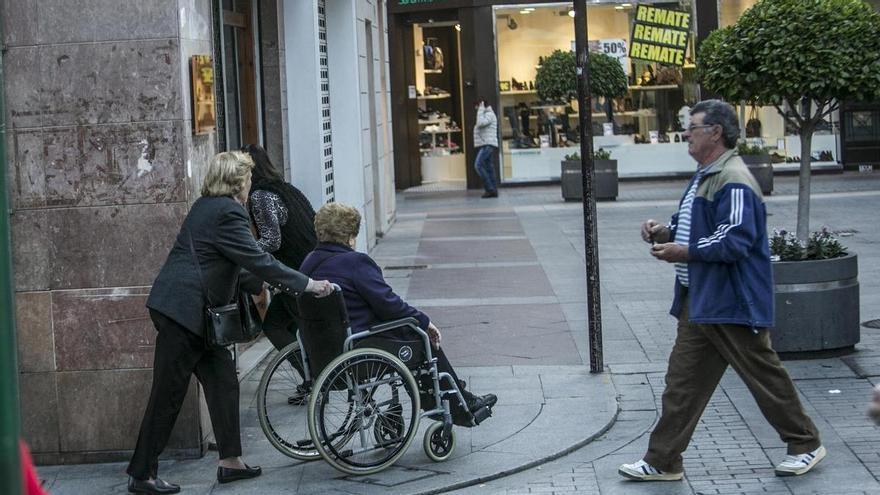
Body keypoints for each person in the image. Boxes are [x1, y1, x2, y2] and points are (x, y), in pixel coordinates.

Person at [618, 100, 824, 482]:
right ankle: (663, 460)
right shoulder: (706, 174)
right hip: (700, 302)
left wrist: (685, 250)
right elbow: (696, 225)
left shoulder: (733, 178)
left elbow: (736, 238)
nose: (686, 135)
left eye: (692, 127)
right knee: (682, 385)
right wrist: (665, 231)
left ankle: (805, 442)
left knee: (763, 377)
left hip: (731, 301)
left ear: (715, 132)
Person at [126, 151, 334, 494]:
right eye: (248, 179)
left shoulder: (205, 207)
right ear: (238, 182)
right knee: (168, 394)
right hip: (185, 313)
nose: (251, 185)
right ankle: (141, 473)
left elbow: (234, 263)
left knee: (223, 382)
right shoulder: (228, 212)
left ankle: (230, 462)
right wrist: (307, 284)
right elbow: (257, 259)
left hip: (195, 313)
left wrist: (264, 285)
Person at [299, 202, 497, 425]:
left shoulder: (308, 264)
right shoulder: (355, 262)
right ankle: (458, 403)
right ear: (350, 237)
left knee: (410, 332)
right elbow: (389, 304)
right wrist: (424, 322)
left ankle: (453, 397)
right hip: (359, 347)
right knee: (421, 339)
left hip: (323, 350)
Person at [242, 144, 317, 402]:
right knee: (287, 327)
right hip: (305, 268)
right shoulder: (286, 188)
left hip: (294, 273)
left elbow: (272, 240)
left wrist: (243, 252)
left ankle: (314, 381)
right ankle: (313, 379)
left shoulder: (260, 195)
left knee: (275, 326)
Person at [473, 99, 499, 198]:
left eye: (477, 106)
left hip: (488, 144)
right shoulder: (486, 114)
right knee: (489, 167)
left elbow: (480, 123)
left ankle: (490, 189)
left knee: (478, 165)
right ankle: (493, 190)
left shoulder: (489, 114)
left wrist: (480, 108)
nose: (475, 108)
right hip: (486, 144)